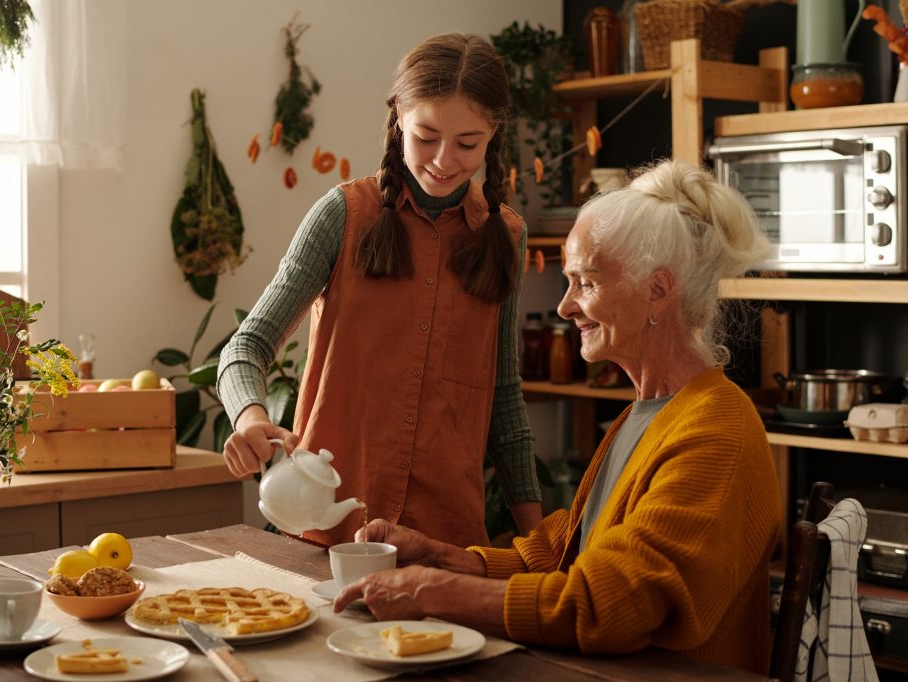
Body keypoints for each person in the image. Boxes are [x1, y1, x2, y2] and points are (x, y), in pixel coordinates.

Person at [334, 159, 783, 676]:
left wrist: (439, 592)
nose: (566, 307)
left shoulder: (715, 432)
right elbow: (564, 550)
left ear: (658, 290)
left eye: (585, 283)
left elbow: (614, 606)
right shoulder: (652, 411)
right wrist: (445, 559)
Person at [217, 33, 542, 548]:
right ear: (399, 118)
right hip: (325, 530)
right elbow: (247, 346)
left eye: (467, 144)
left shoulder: (507, 236)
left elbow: (504, 399)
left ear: (494, 133)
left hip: (444, 543)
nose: (442, 160)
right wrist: (251, 417)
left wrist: (541, 544)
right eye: (426, 136)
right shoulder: (343, 215)